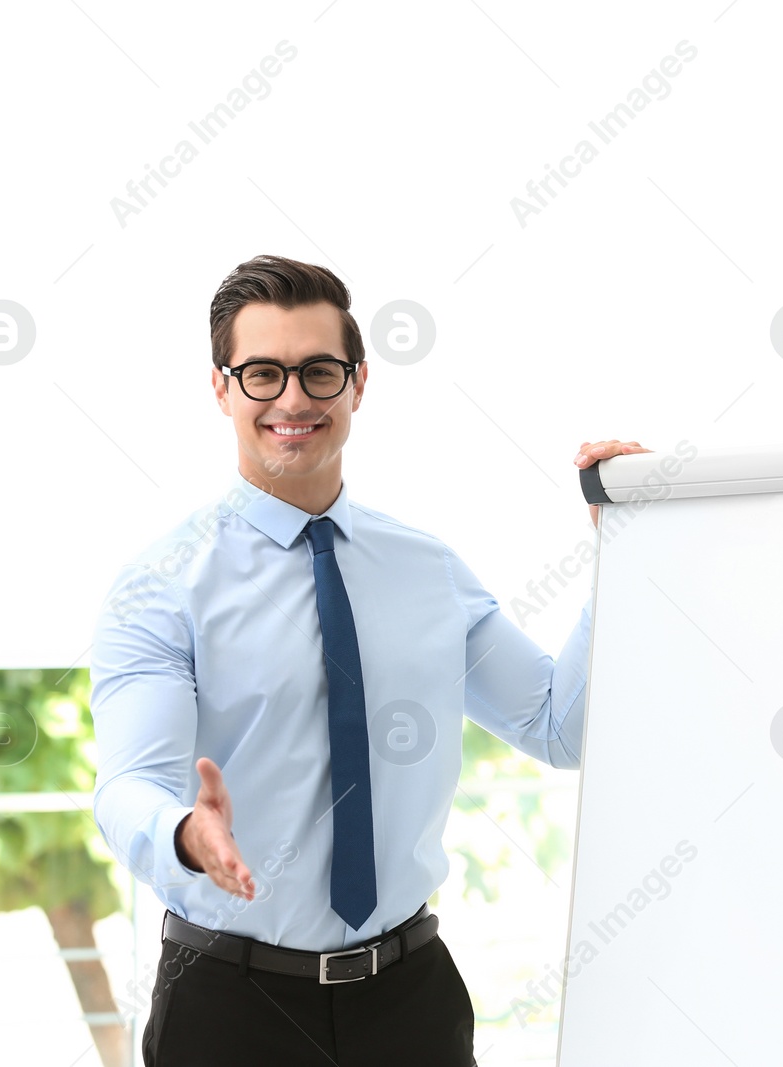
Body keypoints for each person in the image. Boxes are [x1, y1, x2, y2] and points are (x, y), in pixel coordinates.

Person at [89, 253, 648, 1065]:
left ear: (356, 383)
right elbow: (126, 785)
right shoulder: (159, 586)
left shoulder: (426, 568)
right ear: (221, 387)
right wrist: (183, 831)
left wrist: (622, 554)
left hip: (410, 1000)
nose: (292, 399)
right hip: (230, 1006)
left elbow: (554, 725)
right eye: (262, 374)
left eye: (319, 371)